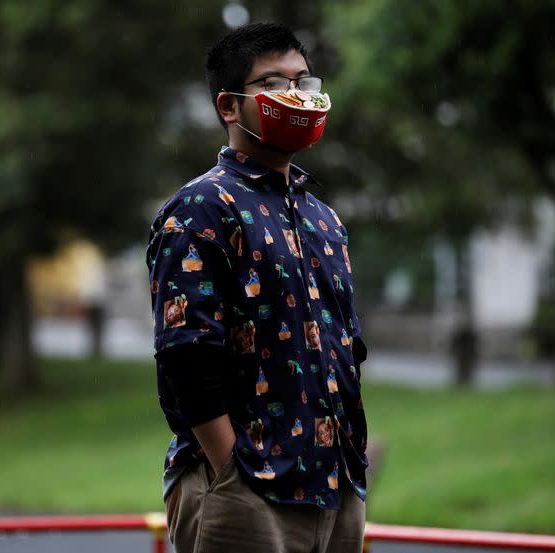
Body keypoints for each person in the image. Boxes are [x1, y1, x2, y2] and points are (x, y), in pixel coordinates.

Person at [146, 22, 369, 553]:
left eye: (304, 82)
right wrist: (233, 473)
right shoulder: (200, 209)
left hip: (335, 491)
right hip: (248, 492)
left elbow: (344, 349)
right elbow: (186, 354)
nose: (295, 96)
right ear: (229, 106)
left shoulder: (323, 218)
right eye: (273, 84)